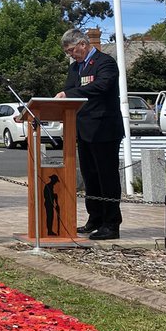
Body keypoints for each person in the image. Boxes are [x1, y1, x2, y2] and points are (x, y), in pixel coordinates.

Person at [56, 28, 124, 240]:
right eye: (68, 52)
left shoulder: (105, 62)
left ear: (83, 44)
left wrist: (70, 94)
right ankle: (94, 218)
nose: (71, 55)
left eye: (72, 51)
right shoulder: (75, 68)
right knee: (90, 178)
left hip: (104, 129)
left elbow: (102, 86)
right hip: (83, 130)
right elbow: (69, 89)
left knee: (107, 177)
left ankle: (111, 224)